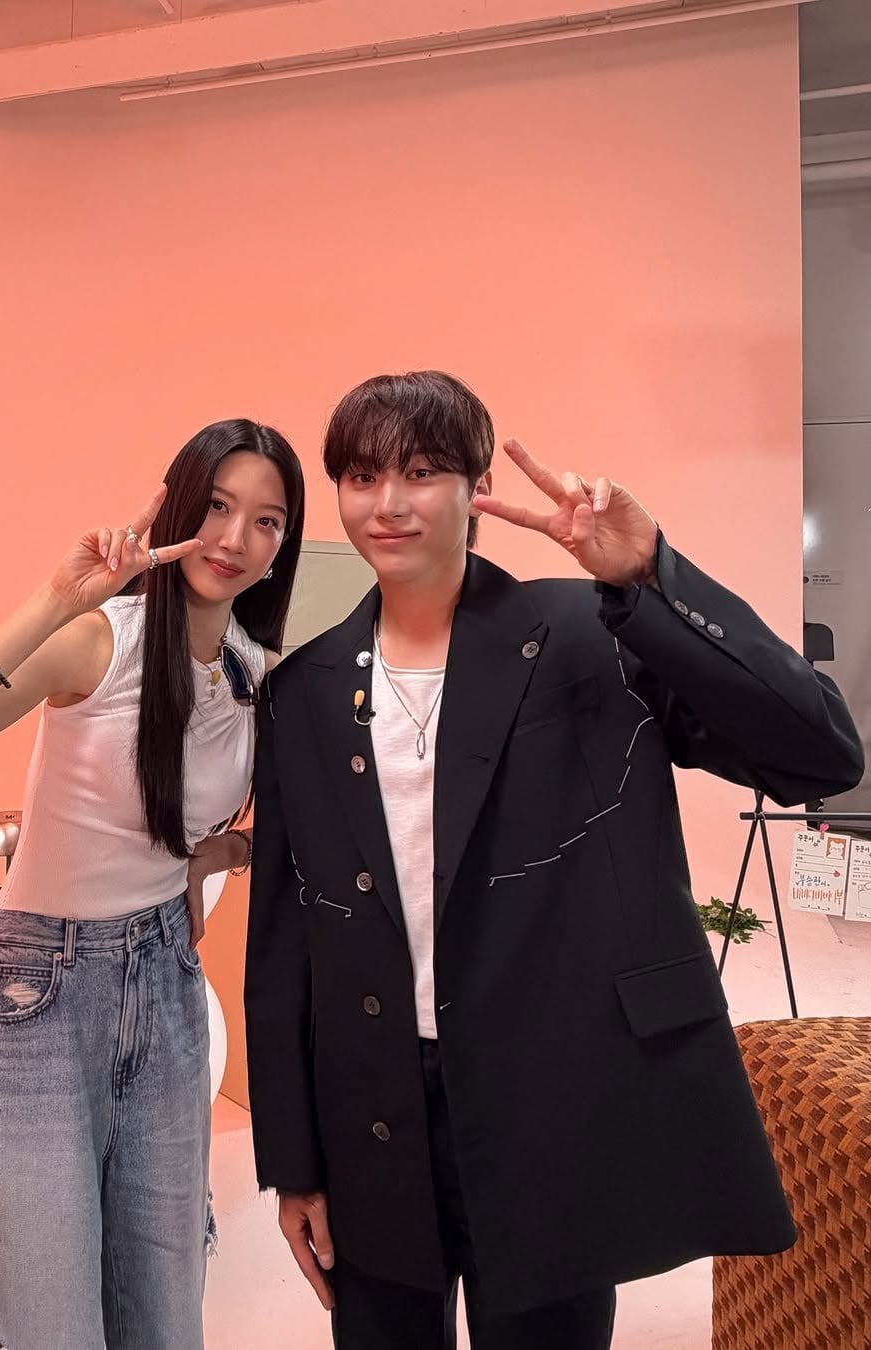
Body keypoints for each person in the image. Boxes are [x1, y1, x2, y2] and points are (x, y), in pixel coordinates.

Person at [243, 371, 863, 1350]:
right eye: (362, 477)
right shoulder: (303, 689)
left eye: (421, 471)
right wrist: (293, 1162)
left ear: (477, 487)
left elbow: (820, 754)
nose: (388, 502)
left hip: (549, 1102)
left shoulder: (590, 634)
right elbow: (283, 939)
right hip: (372, 1114)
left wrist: (652, 574)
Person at [0, 419, 305, 1350]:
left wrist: (221, 855)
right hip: (39, 996)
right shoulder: (98, 640)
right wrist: (54, 598)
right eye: (217, 506)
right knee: (47, 1320)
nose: (234, 538)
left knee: (163, 1308)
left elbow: (236, 827)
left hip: (167, 987)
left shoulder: (254, 677)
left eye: (266, 521)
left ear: (283, 546)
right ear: (176, 507)